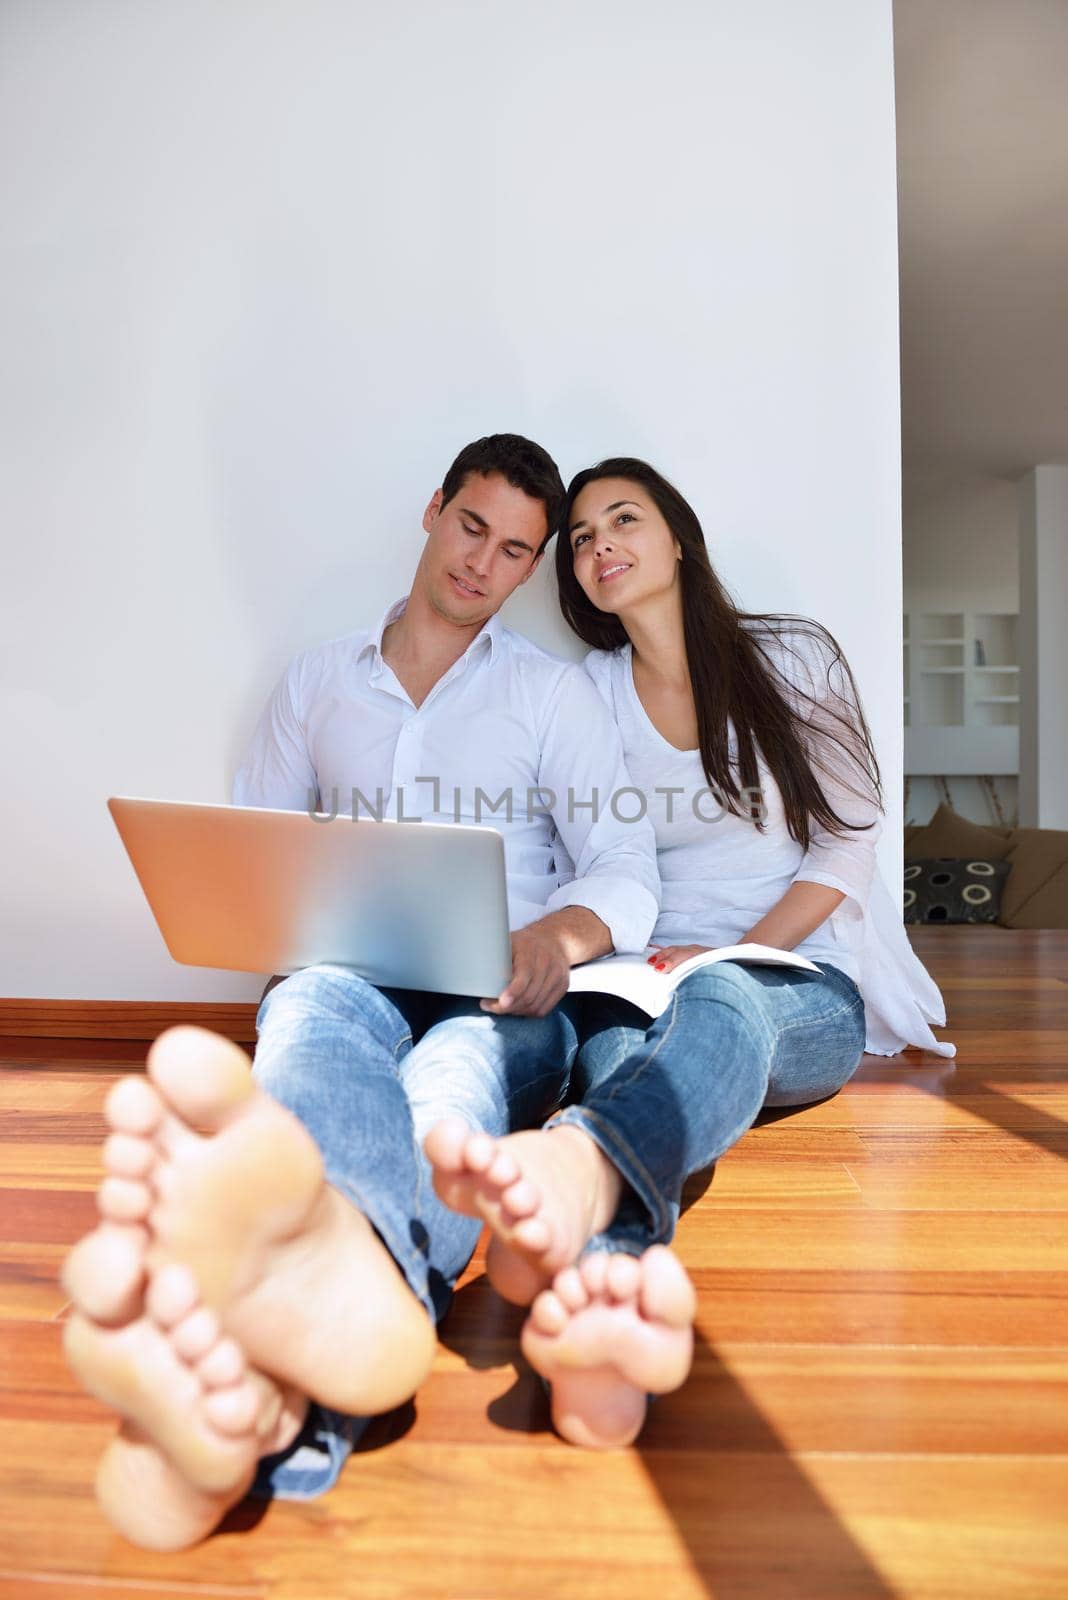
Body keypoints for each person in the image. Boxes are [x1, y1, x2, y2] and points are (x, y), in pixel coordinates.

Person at [60, 435, 661, 1550]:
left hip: (495, 995)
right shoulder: (318, 681)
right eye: (472, 526)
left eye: (515, 549)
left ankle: (301, 1373)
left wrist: (554, 935)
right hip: (347, 973)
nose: (483, 562)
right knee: (303, 1018)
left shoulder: (551, 698)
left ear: (531, 568)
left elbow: (627, 873)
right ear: (434, 512)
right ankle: (329, 1335)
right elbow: (255, 848)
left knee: (449, 1085)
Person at [426, 456, 953, 1451]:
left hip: (796, 978)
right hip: (637, 979)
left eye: (622, 520)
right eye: (579, 539)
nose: (598, 546)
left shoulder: (791, 659)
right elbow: (586, 850)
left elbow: (848, 840)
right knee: (622, 1056)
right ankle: (606, 1303)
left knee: (724, 1007)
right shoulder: (590, 693)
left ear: (679, 539)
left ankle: (580, 1165)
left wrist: (736, 954)